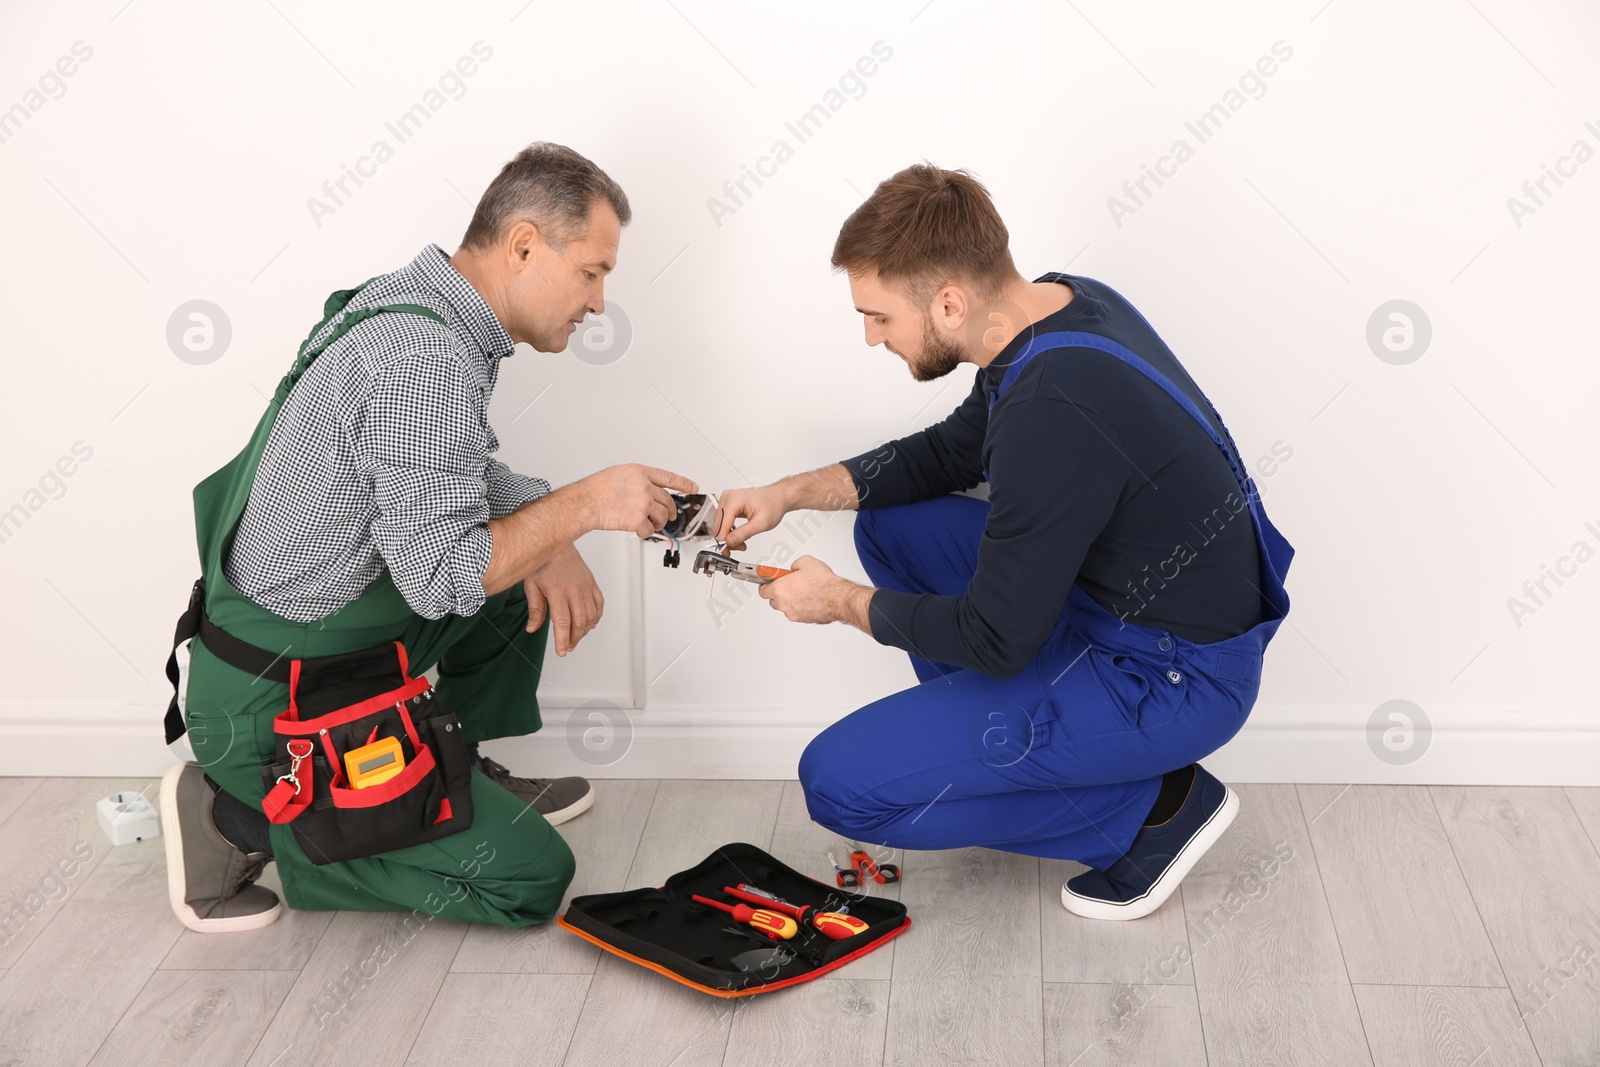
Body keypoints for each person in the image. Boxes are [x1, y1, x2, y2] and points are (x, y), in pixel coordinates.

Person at [713, 164, 1295, 920]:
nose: (869, 337)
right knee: (893, 525)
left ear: (949, 302)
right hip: (1116, 609)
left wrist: (836, 602)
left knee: (838, 783)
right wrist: (787, 493)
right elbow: (948, 455)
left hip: (1172, 677)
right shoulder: (1058, 306)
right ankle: (1016, 741)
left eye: (880, 316)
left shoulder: (1052, 403)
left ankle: (1148, 817)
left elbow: (993, 638)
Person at [162, 142, 695, 932]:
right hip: (277, 705)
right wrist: (582, 507)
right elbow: (442, 577)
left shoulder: (416, 304)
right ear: (523, 245)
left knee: (520, 571)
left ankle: (448, 768)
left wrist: (550, 531)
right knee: (529, 881)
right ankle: (242, 819)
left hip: (318, 648)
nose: (600, 302)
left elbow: (449, 476)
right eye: (592, 271)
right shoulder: (424, 357)